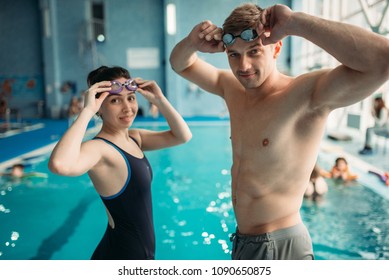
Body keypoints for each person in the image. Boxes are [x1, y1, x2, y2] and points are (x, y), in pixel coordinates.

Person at [169, 3, 389, 260]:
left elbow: (382, 60)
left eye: (254, 51)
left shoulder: (305, 95)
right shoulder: (231, 88)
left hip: (281, 246)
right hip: (244, 242)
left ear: (277, 48)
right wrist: (192, 42)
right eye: (234, 55)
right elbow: (179, 64)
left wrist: (297, 23)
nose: (244, 66)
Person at [48, 66, 192, 260]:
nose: (127, 108)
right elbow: (59, 164)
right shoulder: (99, 149)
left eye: (131, 98)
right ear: (100, 107)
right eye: (115, 100)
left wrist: (159, 100)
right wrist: (87, 110)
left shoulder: (134, 138)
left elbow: (182, 136)